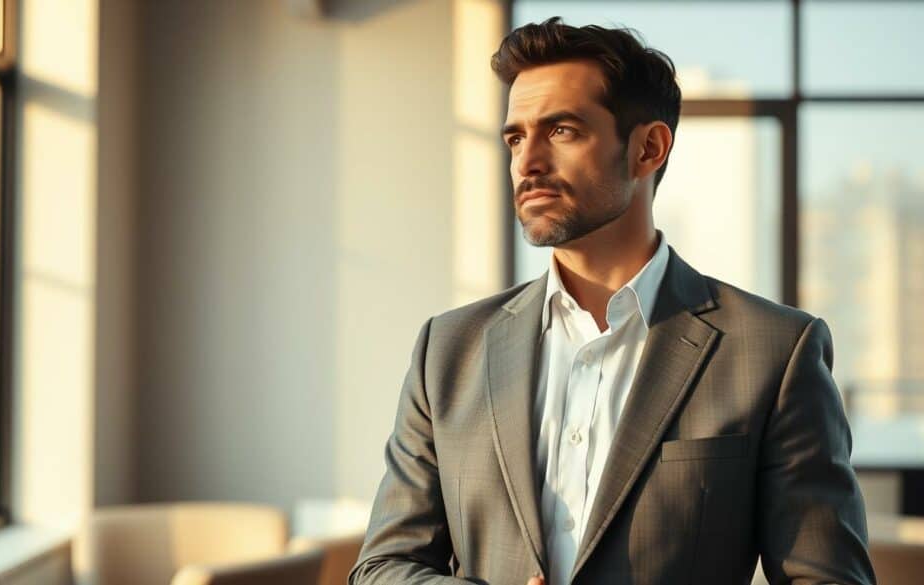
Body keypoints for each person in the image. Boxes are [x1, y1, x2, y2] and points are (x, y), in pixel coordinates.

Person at [348, 17, 875, 585]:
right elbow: (383, 566)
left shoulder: (774, 351)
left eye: (562, 131)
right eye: (516, 137)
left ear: (648, 148)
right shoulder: (448, 350)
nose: (527, 163)